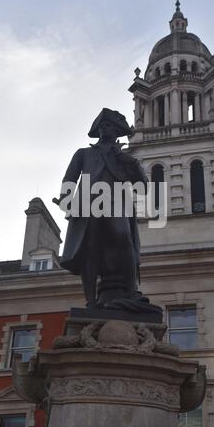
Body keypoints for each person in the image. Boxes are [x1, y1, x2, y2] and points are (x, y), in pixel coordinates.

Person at [54, 108, 150, 310]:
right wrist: (66, 200)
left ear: (117, 130)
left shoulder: (124, 157)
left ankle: (132, 292)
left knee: (123, 237)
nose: (105, 128)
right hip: (89, 202)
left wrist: (130, 162)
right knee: (91, 248)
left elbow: (143, 186)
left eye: (109, 125)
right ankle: (91, 300)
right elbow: (69, 179)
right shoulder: (84, 154)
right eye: (102, 126)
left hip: (116, 200)